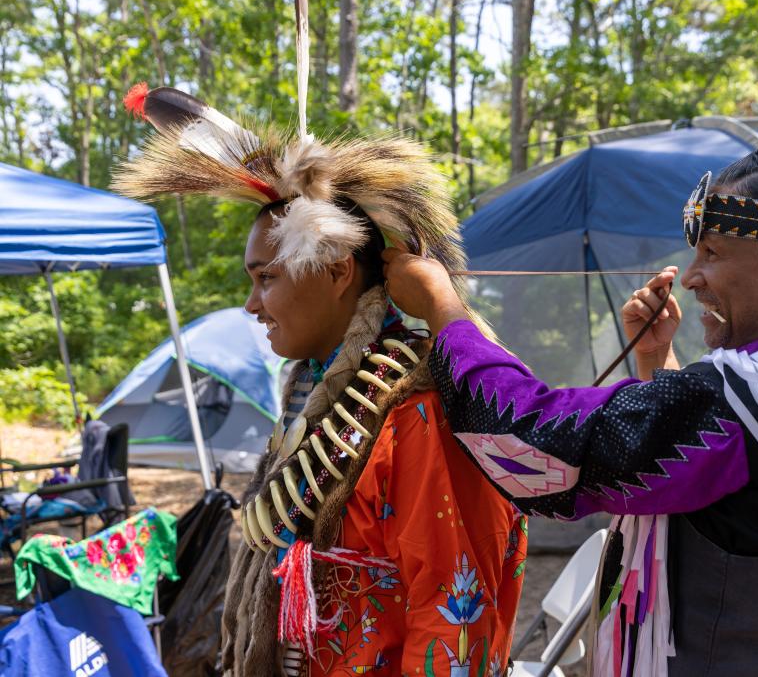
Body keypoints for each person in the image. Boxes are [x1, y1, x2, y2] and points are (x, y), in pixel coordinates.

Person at [382, 142, 758, 677]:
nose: (690, 277)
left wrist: (444, 309)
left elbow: (538, 443)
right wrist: (657, 359)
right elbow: (707, 481)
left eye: (712, 253)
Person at [113, 87, 526, 677]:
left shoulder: (416, 411)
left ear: (336, 272)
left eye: (267, 279)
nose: (252, 304)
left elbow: (454, 611)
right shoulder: (311, 397)